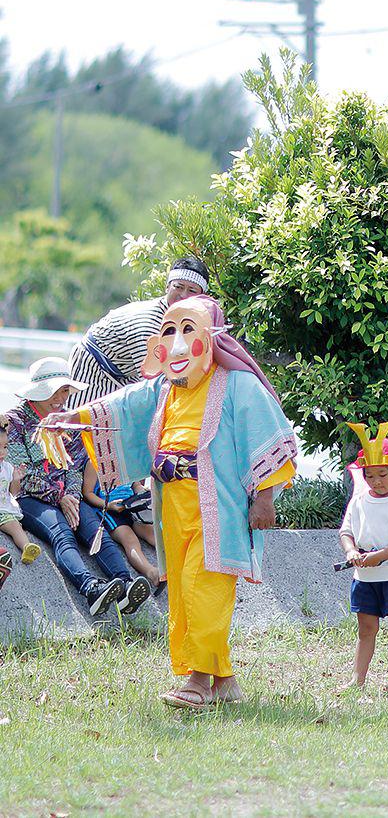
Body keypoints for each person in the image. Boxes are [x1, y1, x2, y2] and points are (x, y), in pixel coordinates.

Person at [45, 296, 297, 709]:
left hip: (220, 510)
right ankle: (224, 680)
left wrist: (264, 497)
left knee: (205, 588)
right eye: (169, 331)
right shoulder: (163, 388)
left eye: (188, 330)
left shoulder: (238, 384)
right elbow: (117, 408)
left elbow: (268, 435)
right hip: (171, 508)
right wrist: (69, 418)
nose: (178, 342)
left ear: (211, 338)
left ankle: (198, 681)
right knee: (182, 591)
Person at [10, 358, 145, 617]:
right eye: (56, 391)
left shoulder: (67, 419)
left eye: (65, 391)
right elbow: (22, 474)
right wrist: (60, 497)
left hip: (66, 494)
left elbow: (74, 466)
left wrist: (71, 494)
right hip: (29, 498)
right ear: (39, 392)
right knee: (62, 533)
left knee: (96, 531)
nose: (62, 397)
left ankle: (125, 585)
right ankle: (91, 587)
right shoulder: (16, 421)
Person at [67, 257, 210, 408]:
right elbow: (154, 381)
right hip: (93, 366)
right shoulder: (149, 323)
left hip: (124, 372)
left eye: (192, 290)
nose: (183, 295)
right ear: (167, 287)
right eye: (179, 287)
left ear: (201, 297)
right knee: (85, 425)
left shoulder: (184, 319)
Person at [338, 421, 388, 690]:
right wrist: (351, 551)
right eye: (370, 476)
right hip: (364, 577)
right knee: (366, 629)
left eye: (383, 474)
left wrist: (380, 556)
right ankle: (356, 680)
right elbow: (346, 531)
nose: (376, 481)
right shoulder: (359, 501)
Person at [81, 460, 160, 586]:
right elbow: (87, 493)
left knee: (152, 532)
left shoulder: (125, 457)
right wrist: (108, 506)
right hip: (109, 509)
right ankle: (152, 573)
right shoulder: (94, 461)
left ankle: (175, 562)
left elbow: (135, 483)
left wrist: (141, 492)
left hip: (130, 504)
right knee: (130, 540)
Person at [0, 413, 41, 568]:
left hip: (4, 510)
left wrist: (16, 479)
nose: (2, 452)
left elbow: (13, 493)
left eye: (5, 447)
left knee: (15, 527)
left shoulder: (8, 467)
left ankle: (26, 548)